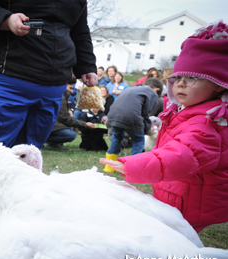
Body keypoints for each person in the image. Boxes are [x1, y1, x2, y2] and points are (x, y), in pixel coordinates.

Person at [0, 0, 98, 221]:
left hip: (52, 83)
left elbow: (79, 30)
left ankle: (18, 198)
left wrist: (86, 65)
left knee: (29, 149)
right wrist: (5, 20)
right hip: (2, 75)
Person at [101, 21, 228, 233]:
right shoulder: (190, 111)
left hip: (189, 200)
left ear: (217, 83)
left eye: (193, 78)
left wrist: (133, 165)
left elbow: (181, 156)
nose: (180, 84)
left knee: (175, 241)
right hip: (180, 190)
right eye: (178, 78)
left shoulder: (207, 122)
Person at [103, 78, 163, 167]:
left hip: (113, 115)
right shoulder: (152, 93)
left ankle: (109, 166)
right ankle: (131, 167)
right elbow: (146, 114)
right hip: (131, 117)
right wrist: (147, 130)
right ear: (157, 90)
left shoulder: (131, 88)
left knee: (117, 136)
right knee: (138, 140)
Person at [45, 77, 98, 149]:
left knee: (68, 127)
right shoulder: (61, 97)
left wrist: (68, 110)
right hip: (48, 124)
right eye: (70, 88)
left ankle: (54, 144)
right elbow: (65, 118)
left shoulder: (60, 95)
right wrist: (85, 124)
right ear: (64, 86)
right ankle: (43, 140)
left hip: (51, 123)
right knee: (71, 135)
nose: (72, 91)